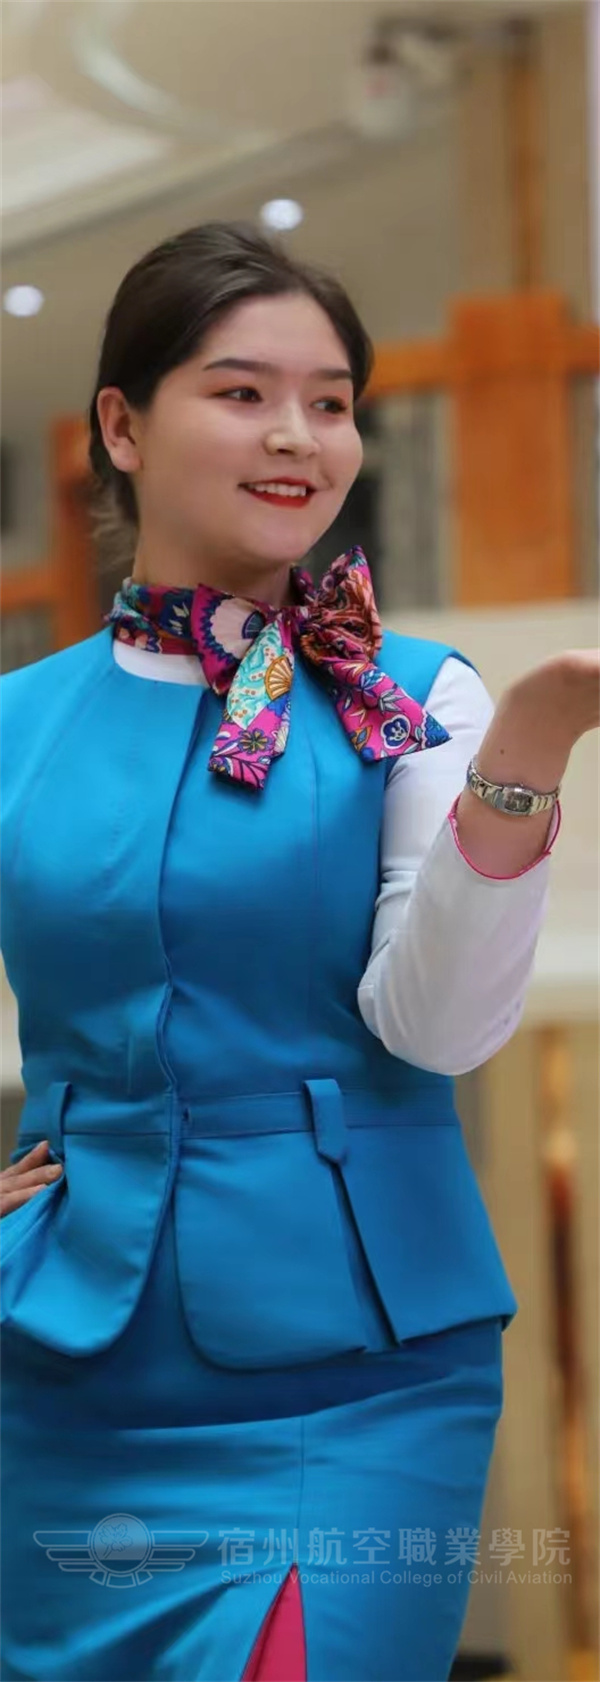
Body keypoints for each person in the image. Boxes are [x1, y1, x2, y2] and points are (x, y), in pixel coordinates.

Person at [0, 220, 597, 1682]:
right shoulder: (18, 722)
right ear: (122, 427)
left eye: (331, 401)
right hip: (62, 1365)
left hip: (362, 1375)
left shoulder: (422, 698)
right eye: (243, 392)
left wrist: (524, 755)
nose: (298, 435)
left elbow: (438, 1027)